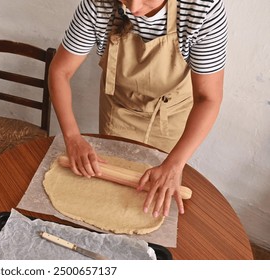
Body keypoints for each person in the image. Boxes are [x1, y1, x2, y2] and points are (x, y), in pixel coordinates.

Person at [49, 0, 227, 217]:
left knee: (154, 204)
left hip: (170, 121)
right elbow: (60, 71)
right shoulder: (98, 3)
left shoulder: (202, 8)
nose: (133, 8)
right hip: (117, 113)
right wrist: (72, 137)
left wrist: (174, 164)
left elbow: (208, 98)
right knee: (111, 202)